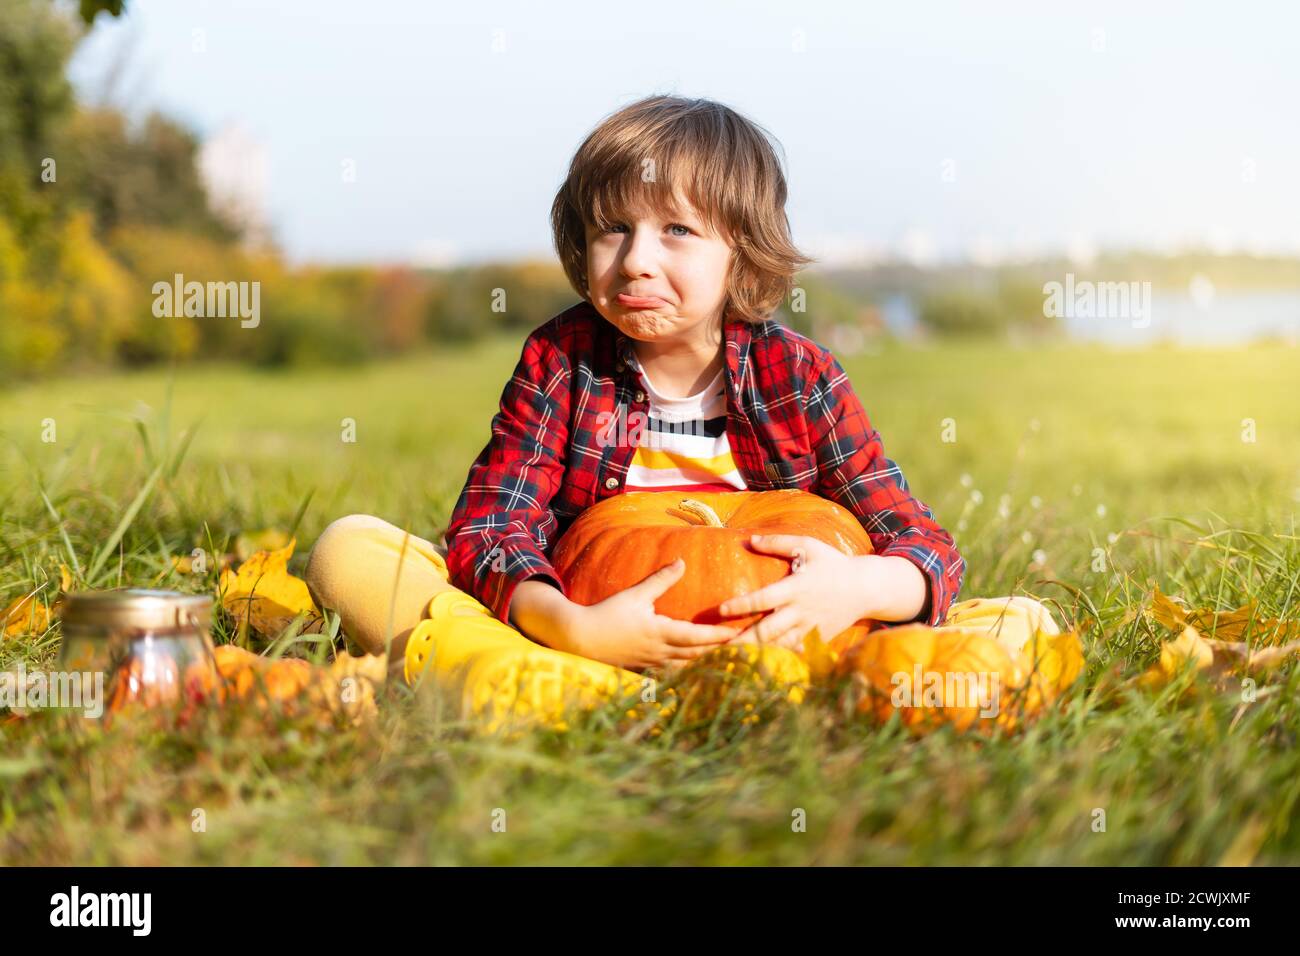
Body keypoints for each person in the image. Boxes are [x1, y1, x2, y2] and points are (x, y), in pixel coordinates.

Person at [304, 96, 1053, 727]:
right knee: (351, 550)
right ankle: (590, 683)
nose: (635, 259)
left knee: (1024, 622)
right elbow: (490, 527)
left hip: (788, 641)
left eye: (677, 231)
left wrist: (860, 590)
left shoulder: (801, 376)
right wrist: (574, 626)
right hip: (580, 639)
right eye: (613, 229)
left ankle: (567, 696)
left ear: (744, 255)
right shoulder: (560, 361)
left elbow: (922, 542)